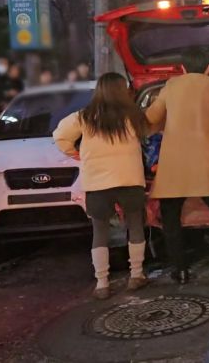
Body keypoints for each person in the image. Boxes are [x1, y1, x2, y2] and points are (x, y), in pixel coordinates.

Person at [145, 49, 209, 289]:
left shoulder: (171, 86)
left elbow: (152, 117)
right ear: (208, 68)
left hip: (175, 164)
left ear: (183, 68)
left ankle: (181, 270)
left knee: (171, 219)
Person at [53, 73, 149, 299]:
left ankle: (102, 283)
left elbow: (60, 136)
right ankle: (136, 275)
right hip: (129, 179)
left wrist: (74, 153)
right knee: (134, 226)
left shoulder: (84, 117)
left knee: (100, 232)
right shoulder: (133, 116)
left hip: (97, 183)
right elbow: (149, 132)